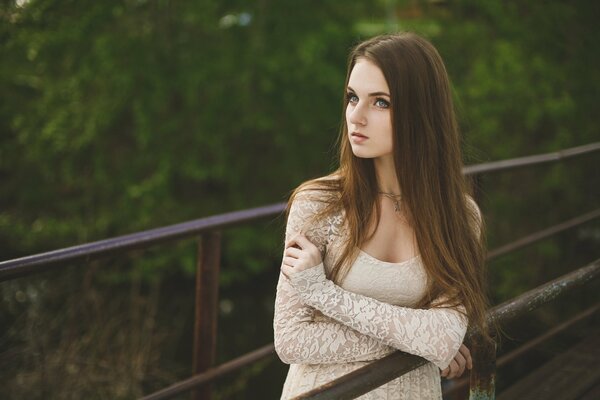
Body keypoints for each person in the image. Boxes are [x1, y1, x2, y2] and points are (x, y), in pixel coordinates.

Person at [273, 32, 487, 400]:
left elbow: (445, 335)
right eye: (352, 98)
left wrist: (323, 295)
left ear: (421, 112)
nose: (356, 116)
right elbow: (292, 340)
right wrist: (420, 343)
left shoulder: (460, 217)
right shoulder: (318, 204)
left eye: (381, 103)